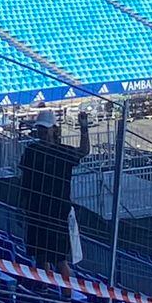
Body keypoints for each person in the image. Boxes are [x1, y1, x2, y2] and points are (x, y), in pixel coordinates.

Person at [18, 107, 90, 274]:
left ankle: (67, 296)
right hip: (36, 211)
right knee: (40, 257)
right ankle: (45, 289)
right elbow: (24, 180)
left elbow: (83, 151)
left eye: (45, 129)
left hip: (57, 213)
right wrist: (21, 206)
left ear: (53, 129)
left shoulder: (62, 152)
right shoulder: (31, 151)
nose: (42, 132)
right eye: (39, 129)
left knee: (59, 259)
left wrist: (84, 128)